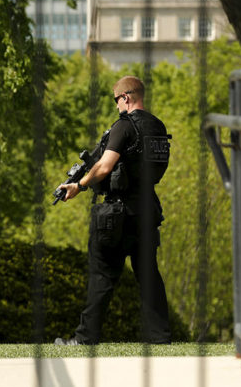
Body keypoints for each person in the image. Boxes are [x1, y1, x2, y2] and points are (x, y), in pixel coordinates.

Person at [54, 75, 172, 345]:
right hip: (146, 210)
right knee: (149, 276)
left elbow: (105, 166)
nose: (117, 106)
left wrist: (79, 185)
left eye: (116, 100)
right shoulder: (158, 126)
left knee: (102, 276)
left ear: (126, 97)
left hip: (118, 215)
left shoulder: (123, 126)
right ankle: (160, 337)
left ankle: (85, 339)